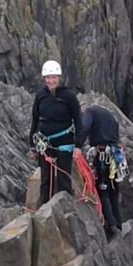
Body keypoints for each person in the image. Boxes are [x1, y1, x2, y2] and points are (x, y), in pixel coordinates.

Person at [29, 60, 83, 205]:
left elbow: (78, 120)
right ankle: (44, 209)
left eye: (53, 77)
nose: (51, 80)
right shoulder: (40, 95)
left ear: (58, 77)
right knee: (46, 179)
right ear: (44, 78)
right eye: (48, 77)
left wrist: (78, 145)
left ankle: (66, 209)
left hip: (64, 143)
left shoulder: (69, 96)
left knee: (63, 177)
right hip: (44, 143)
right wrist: (32, 146)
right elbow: (35, 120)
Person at [79, 105, 123, 238]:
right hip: (115, 154)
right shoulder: (108, 114)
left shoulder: (89, 112)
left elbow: (84, 127)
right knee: (113, 190)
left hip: (103, 154)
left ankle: (111, 224)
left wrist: (77, 145)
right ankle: (118, 222)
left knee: (102, 190)